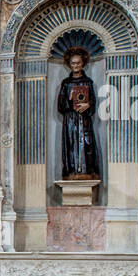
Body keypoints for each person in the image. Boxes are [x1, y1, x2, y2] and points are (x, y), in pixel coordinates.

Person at [57, 47, 101, 180]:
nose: (75, 66)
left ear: (83, 63)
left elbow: (93, 103)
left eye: (78, 63)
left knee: (86, 144)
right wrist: (70, 99)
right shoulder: (66, 83)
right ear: (69, 65)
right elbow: (60, 106)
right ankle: (71, 171)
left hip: (84, 120)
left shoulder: (88, 82)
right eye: (73, 63)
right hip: (70, 120)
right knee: (71, 145)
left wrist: (88, 105)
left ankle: (87, 171)